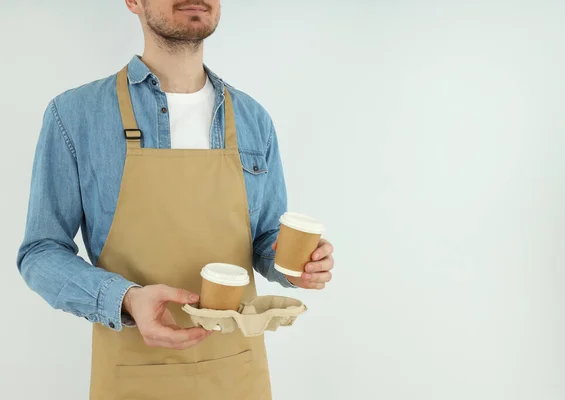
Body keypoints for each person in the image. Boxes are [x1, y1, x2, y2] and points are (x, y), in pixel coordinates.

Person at [16, 1, 335, 399]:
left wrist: (298, 266)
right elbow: (41, 252)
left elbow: (264, 239)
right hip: (132, 374)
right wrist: (127, 299)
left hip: (236, 375)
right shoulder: (76, 115)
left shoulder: (254, 119)